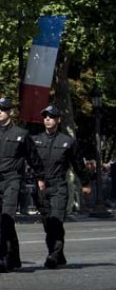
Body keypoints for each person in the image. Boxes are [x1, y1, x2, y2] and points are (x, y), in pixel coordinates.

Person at [0, 97, 45, 273]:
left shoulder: (21, 134)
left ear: (10, 112)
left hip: (12, 179)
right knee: (2, 221)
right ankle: (14, 256)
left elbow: (34, 158)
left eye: (3, 109)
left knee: (8, 218)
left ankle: (4, 256)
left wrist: (40, 178)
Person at [31, 105, 91, 269]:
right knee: (48, 224)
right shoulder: (35, 140)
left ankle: (54, 255)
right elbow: (30, 163)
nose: (47, 119)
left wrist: (85, 183)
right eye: (45, 116)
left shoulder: (68, 141)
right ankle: (59, 254)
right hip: (41, 187)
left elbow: (78, 164)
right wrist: (35, 179)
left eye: (51, 116)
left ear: (58, 120)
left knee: (56, 221)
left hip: (58, 185)